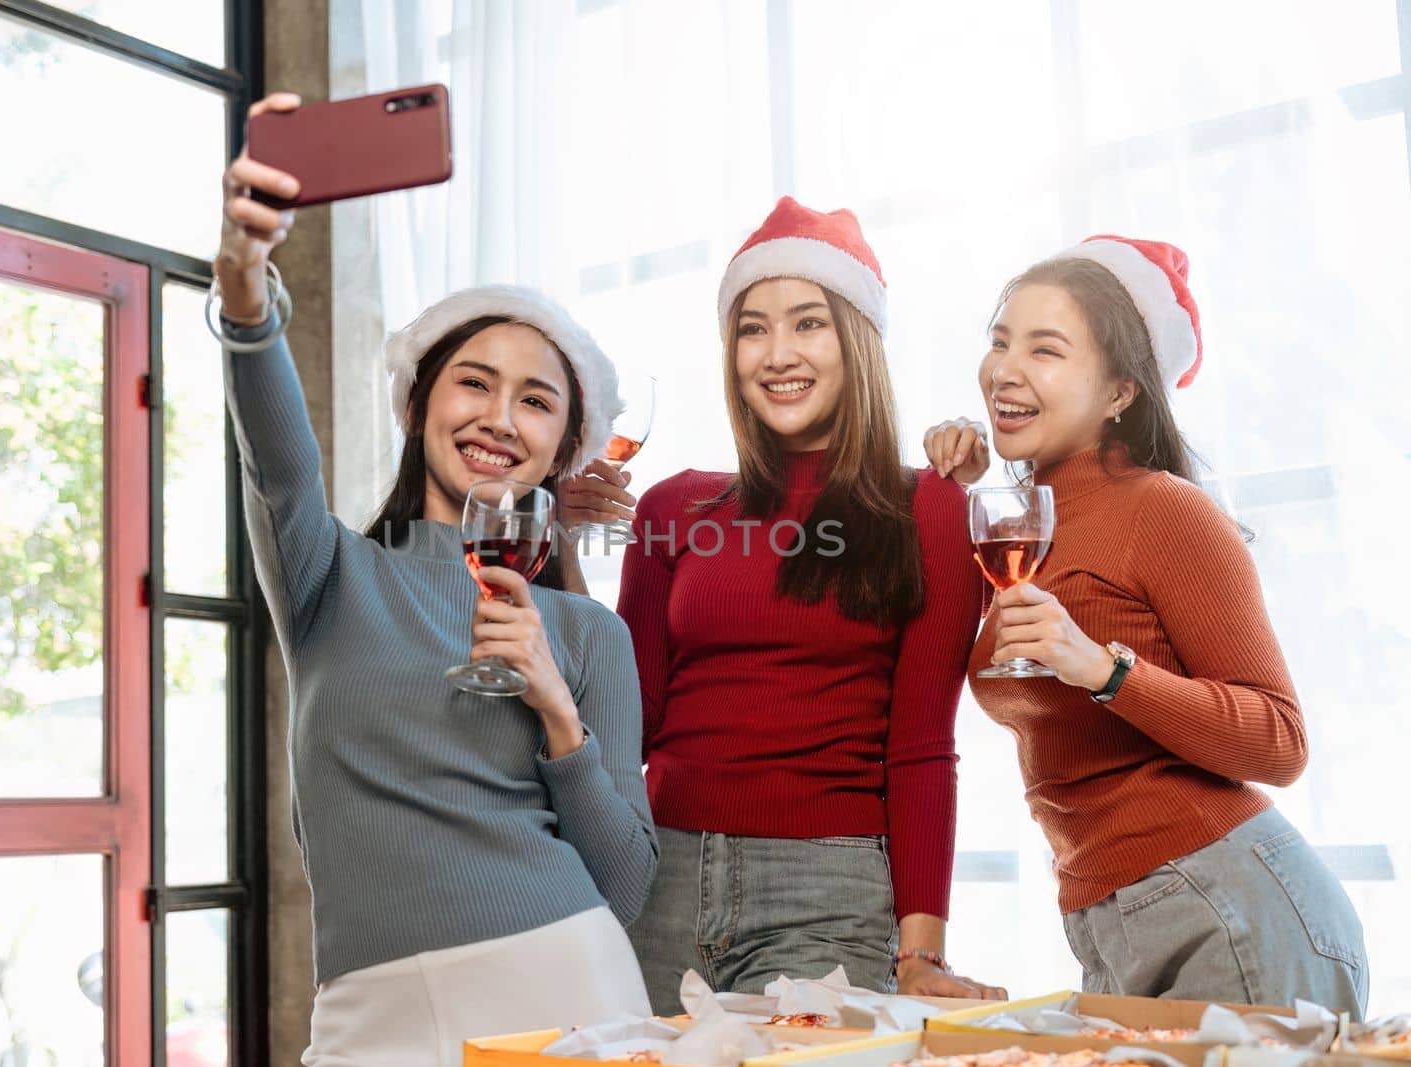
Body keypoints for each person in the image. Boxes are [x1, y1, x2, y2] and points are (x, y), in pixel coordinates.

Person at [214, 93, 658, 1066]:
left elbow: (626, 883)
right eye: (473, 380)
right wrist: (246, 288)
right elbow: (276, 457)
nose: (500, 415)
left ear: (559, 448)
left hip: (565, 987)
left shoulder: (586, 634)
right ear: (419, 404)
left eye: (535, 399)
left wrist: (556, 714)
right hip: (370, 1011)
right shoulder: (330, 574)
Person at [567, 197, 1004, 1012]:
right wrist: (554, 536)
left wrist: (921, 952)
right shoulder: (673, 509)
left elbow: (920, 748)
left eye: (808, 323)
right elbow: (626, 721)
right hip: (657, 879)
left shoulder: (933, 509)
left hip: (826, 894)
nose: (777, 354)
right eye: (752, 329)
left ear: (856, 342)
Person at [922, 234, 1369, 1013]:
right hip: (1109, 918)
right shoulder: (1021, 527)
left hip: (1225, 905)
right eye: (1000, 343)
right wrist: (950, 493)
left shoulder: (1163, 509)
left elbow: (1282, 740)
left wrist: (1105, 669)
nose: (1006, 370)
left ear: (1121, 391)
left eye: (1047, 349)